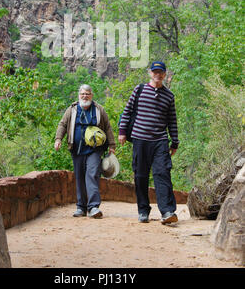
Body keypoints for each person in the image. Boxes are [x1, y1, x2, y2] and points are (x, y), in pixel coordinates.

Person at [118, 61, 179, 225]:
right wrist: (122, 132)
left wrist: (175, 142)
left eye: (161, 72)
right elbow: (127, 111)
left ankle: (167, 211)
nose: (158, 75)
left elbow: (172, 121)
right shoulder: (139, 90)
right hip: (140, 138)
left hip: (160, 140)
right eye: (155, 72)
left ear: (165, 74)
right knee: (140, 175)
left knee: (163, 173)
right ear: (150, 73)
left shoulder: (169, 96)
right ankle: (143, 210)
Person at [55, 84, 116, 218]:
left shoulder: (99, 110)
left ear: (91, 95)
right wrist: (58, 139)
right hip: (76, 149)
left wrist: (112, 145)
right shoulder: (72, 110)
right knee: (80, 177)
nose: (85, 96)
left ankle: (93, 207)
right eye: (82, 94)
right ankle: (81, 207)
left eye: (87, 93)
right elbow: (63, 124)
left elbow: (108, 127)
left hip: (95, 150)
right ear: (79, 95)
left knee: (92, 174)